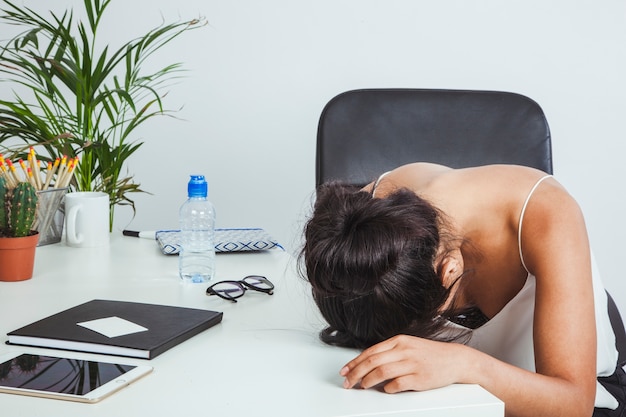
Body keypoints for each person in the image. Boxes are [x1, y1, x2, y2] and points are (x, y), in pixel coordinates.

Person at [299, 162, 625, 417]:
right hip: (454, 398)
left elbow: (574, 404)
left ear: (450, 268)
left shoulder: (548, 213)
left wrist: (465, 364)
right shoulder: (366, 220)